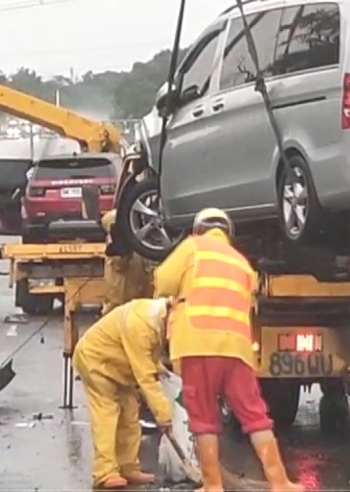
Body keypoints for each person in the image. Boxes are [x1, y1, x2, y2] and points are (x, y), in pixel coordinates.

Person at [154, 208, 305, 492]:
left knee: (203, 416)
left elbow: (162, 281)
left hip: (197, 343)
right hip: (236, 347)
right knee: (254, 414)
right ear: (228, 233)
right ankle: (280, 482)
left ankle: (212, 485)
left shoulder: (192, 248)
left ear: (198, 229)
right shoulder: (241, 263)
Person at [73, 297, 174, 490]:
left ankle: (128, 466)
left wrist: (159, 368)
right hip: (96, 360)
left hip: (119, 365)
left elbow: (147, 355)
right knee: (106, 416)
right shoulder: (140, 325)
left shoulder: (154, 319)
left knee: (129, 414)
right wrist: (164, 415)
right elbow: (145, 376)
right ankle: (104, 471)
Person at [101, 209, 154, 315]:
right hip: (119, 305)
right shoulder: (118, 249)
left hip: (136, 303)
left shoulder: (136, 245)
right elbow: (120, 263)